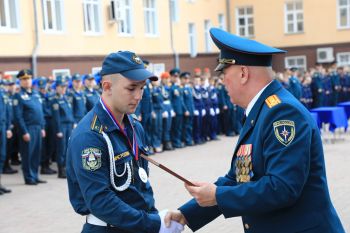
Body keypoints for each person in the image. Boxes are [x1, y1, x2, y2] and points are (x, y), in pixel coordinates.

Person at [165, 28, 345, 233]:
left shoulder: (283, 113)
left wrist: (217, 195)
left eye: (224, 74)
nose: (223, 82)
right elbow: (238, 177)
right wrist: (187, 215)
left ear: (243, 73)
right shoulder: (263, 111)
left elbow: (282, 187)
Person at [66, 51, 184, 233]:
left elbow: (141, 184)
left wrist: (156, 219)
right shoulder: (90, 135)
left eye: (142, 88)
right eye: (131, 88)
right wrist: (154, 224)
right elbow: (100, 201)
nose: (139, 96)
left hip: (137, 225)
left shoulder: (134, 125)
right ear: (107, 87)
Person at [13, 69, 47, 185]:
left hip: (38, 128)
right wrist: (24, 131)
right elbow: (18, 116)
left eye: (28, 78)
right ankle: (29, 177)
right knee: (28, 154)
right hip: (28, 128)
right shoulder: (18, 96)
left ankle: (35, 175)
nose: (27, 81)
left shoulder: (36, 94)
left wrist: (42, 127)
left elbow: (40, 112)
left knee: (36, 153)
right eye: (24, 79)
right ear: (20, 81)